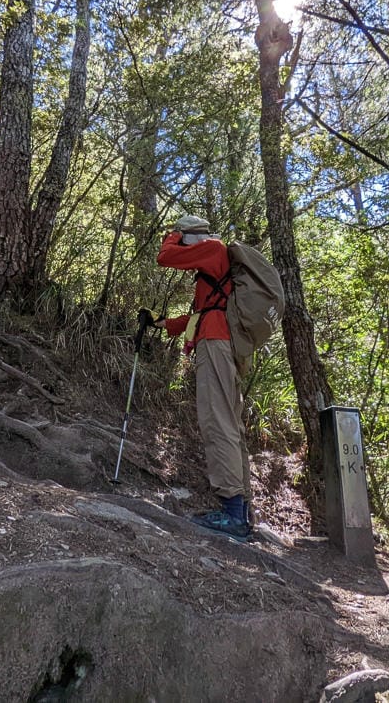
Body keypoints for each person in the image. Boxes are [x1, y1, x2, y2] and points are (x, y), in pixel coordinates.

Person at [149, 215, 251, 539]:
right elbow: (201, 314)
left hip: (216, 345)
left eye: (183, 237)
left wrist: (172, 235)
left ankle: (233, 514)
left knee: (217, 422)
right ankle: (241, 512)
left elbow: (165, 257)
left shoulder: (212, 247)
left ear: (190, 237)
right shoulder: (214, 266)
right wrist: (163, 324)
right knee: (230, 424)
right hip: (223, 342)